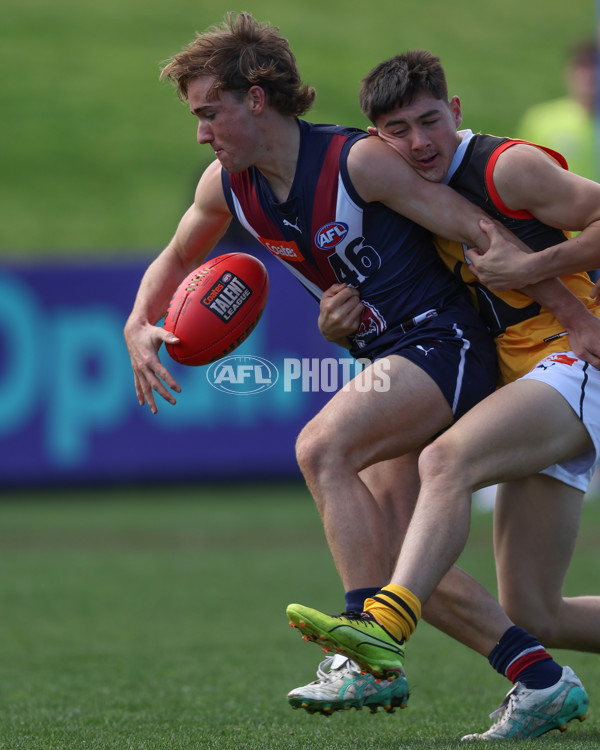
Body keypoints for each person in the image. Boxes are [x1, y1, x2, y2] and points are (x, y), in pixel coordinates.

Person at [122, 14, 594, 735]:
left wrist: (574, 314)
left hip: (446, 345)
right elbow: (178, 256)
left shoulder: (358, 162)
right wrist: (137, 323)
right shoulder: (230, 184)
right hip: (390, 359)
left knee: (321, 448)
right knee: (402, 549)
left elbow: (480, 235)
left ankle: (362, 649)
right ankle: (536, 676)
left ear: (257, 98)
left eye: (208, 111)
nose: (200, 131)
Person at [286, 49, 600, 739]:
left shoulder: (504, 166)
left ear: (454, 112)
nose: (420, 143)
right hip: (525, 390)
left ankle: (385, 623)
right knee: (537, 612)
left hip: (581, 363)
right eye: (399, 130)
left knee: (444, 463)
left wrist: (540, 266)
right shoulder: (401, 201)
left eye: (430, 121)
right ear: (376, 139)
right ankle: (533, 676)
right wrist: (339, 329)